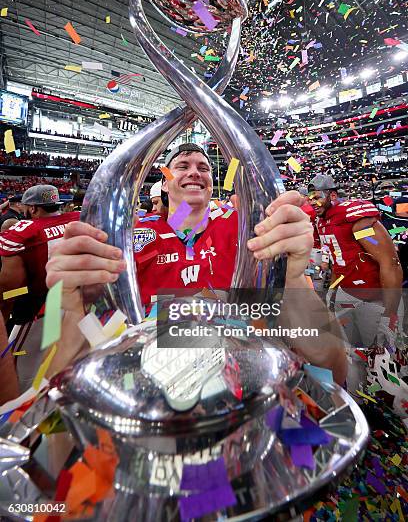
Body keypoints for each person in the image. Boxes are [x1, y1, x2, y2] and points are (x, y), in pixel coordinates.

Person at [46, 144, 347, 384]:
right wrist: (71, 309)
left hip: (243, 390)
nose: (194, 172)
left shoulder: (252, 230)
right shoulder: (124, 237)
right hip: (144, 391)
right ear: (164, 184)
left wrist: (293, 279)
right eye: (182, 166)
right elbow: (53, 380)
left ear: (212, 184)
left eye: (203, 168)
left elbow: (334, 365)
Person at [308, 174, 404, 390]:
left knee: (385, 368)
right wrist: (332, 293)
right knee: (351, 358)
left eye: (318, 197)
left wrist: (390, 314)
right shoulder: (321, 221)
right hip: (346, 295)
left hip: (375, 301)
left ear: (332, 195)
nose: (313, 202)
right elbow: (337, 262)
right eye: (310, 198)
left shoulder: (356, 217)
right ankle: (362, 410)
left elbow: (390, 263)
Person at [0, 185, 80, 390]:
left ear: (33, 209)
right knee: (58, 360)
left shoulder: (25, 232)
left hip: (37, 309)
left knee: (19, 372)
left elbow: (9, 288)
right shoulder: (76, 218)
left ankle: (22, 413)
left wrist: (6, 313)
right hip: (73, 303)